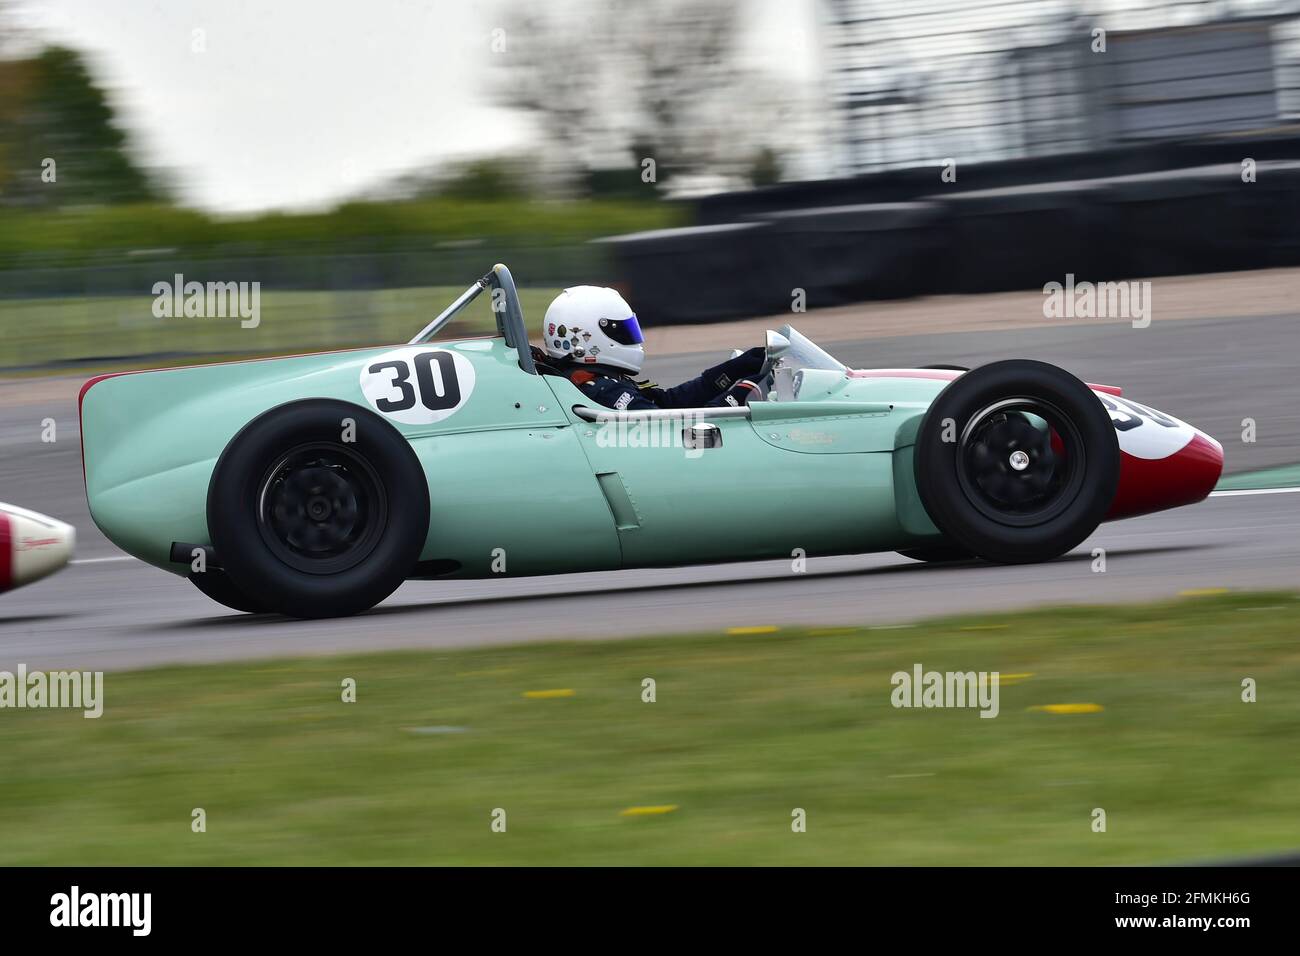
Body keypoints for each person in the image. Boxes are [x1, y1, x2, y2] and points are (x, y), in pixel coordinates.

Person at [534, 286, 765, 411]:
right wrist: (740, 394)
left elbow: (668, 402)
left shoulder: (597, 380)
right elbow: (681, 430)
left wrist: (734, 369)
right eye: (622, 331)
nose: (631, 338)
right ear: (587, 336)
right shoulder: (602, 390)